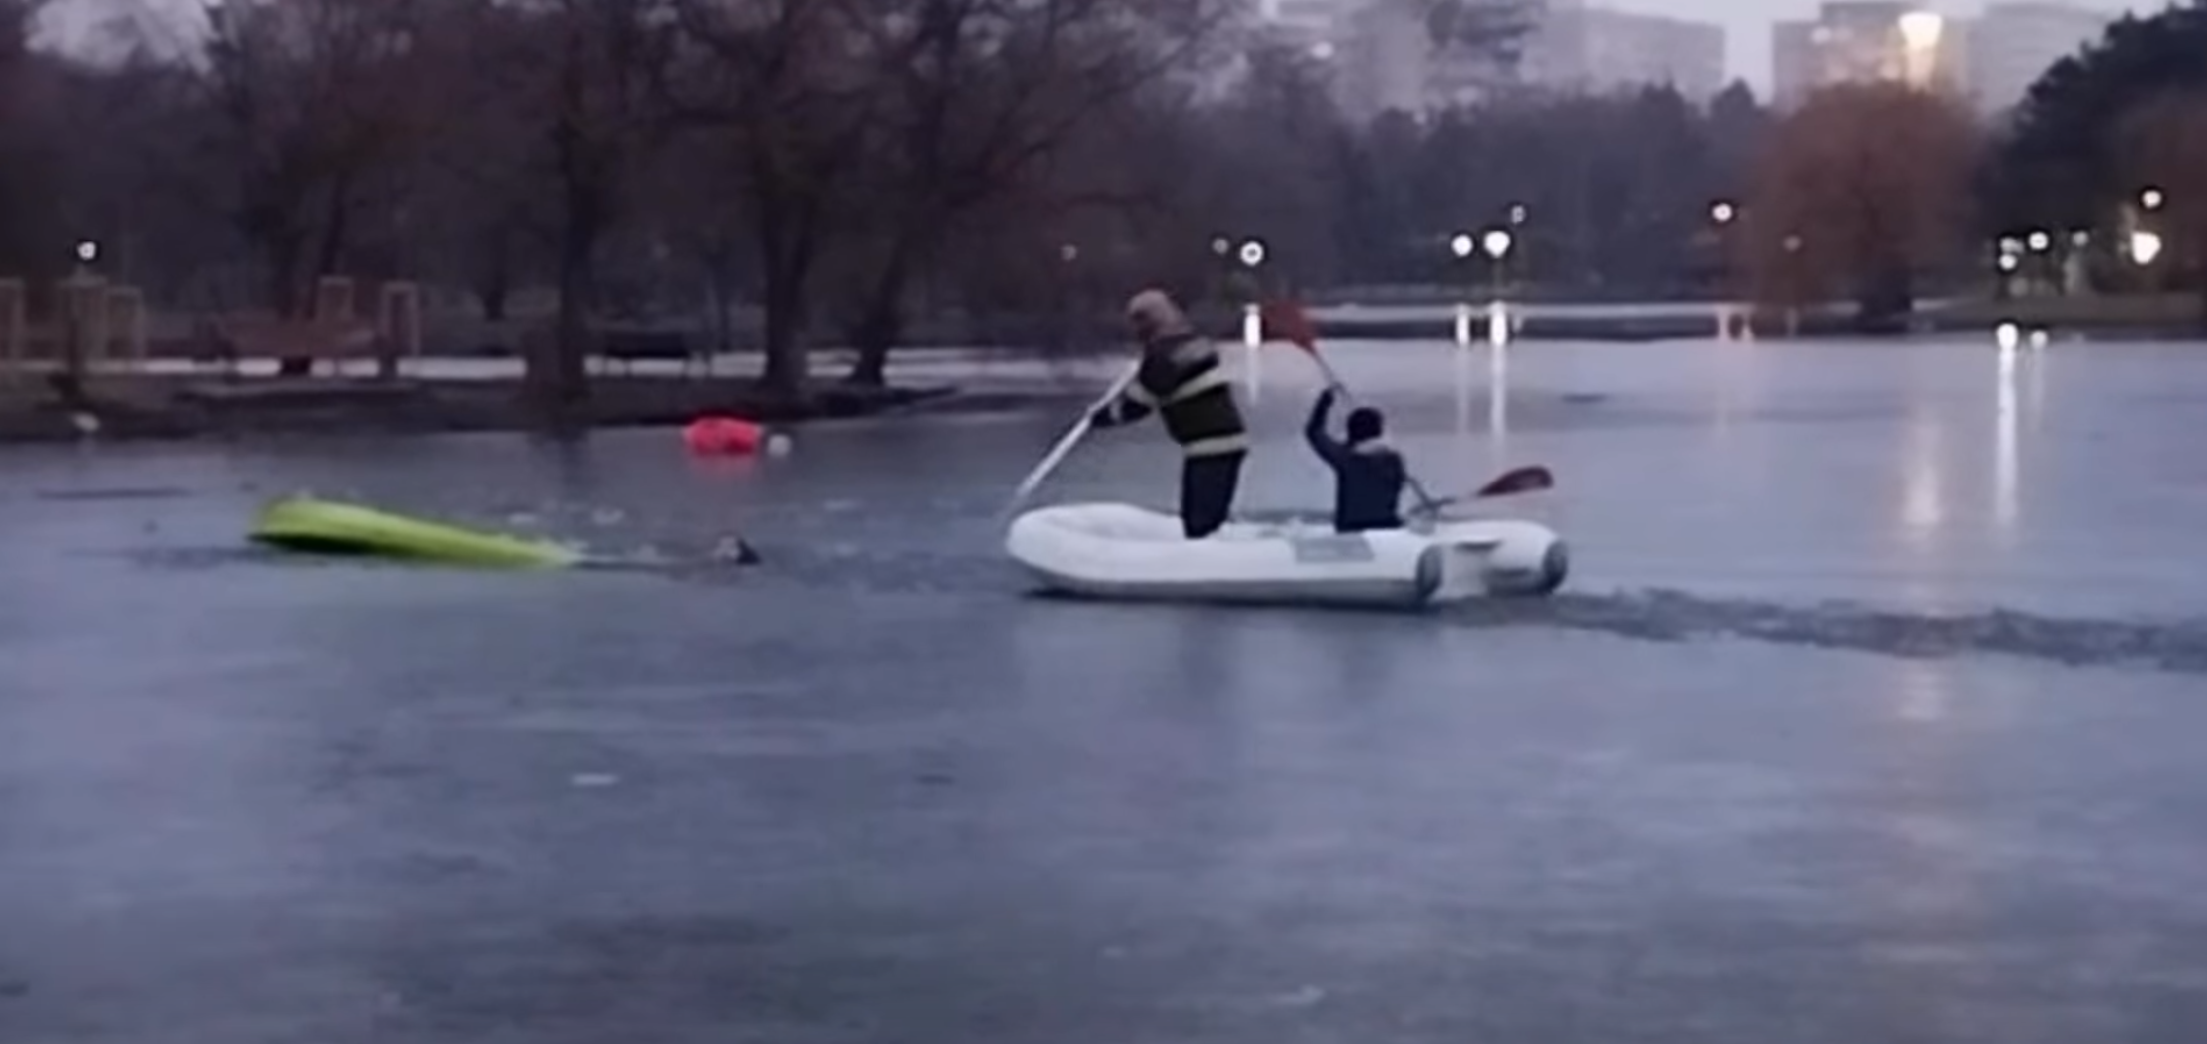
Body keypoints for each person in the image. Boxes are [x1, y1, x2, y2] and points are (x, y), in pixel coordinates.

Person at [1088, 289, 1250, 538]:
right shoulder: (1193, 343)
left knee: (1199, 523)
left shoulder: (1162, 357)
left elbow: (1138, 405)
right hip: (1228, 440)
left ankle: (1205, 566)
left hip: (1209, 446)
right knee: (1208, 516)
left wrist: (1101, 418)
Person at [1304, 386, 1405, 532]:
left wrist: (1325, 401)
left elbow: (1314, 432)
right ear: (1379, 430)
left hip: (1351, 530)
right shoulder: (1394, 460)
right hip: (1388, 528)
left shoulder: (1346, 459)